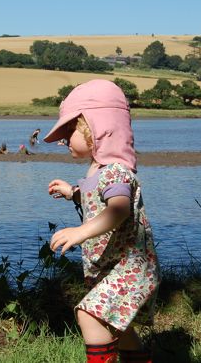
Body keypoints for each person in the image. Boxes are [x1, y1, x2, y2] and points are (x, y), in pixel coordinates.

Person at [43, 80, 160, 363]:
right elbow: (97, 198)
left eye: (70, 130)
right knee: (120, 329)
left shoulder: (116, 172)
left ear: (97, 128)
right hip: (111, 268)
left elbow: (117, 209)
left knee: (89, 314)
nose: (63, 139)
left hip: (129, 268)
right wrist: (73, 193)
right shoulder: (100, 173)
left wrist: (81, 231)